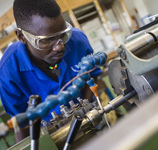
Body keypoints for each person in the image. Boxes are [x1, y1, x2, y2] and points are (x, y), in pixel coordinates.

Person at [0, 0, 102, 142]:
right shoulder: (8, 71)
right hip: (49, 136)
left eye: (62, 35)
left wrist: (86, 110)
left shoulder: (77, 41)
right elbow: (21, 123)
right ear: (22, 36)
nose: (59, 47)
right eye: (47, 40)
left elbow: (91, 76)